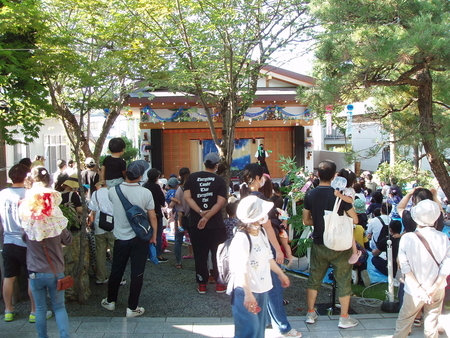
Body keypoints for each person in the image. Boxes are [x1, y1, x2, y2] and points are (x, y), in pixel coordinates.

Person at [240, 163, 301, 337]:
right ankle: (283, 327)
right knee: (273, 288)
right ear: (258, 178)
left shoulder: (244, 197)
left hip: (251, 246)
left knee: (261, 286)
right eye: (262, 177)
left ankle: (267, 321)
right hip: (263, 248)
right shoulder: (260, 200)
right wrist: (278, 250)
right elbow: (268, 228)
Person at [302, 160, 359, 329]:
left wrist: (320, 223)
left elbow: (306, 221)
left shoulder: (310, 194)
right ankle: (344, 317)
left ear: (318, 174)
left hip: (319, 242)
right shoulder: (339, 194)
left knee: (314, 279)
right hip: (341, 246)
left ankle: (311, 313)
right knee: (343, 281)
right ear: (335, 176)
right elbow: (354, 218)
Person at [18, 166, 72, 338]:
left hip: (34, 270)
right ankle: (64, 336)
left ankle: (43, 336)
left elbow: (24, 238)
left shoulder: (28, 218)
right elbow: (68, 240)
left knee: (40, 309)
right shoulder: (55, 218)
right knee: (59, 307)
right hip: (56, 270)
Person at [229, 195, 293, 338]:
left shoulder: (261, 232)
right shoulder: (241, 238)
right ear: (256, 216)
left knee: (258, 331)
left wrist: (280, 274)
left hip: (262, 288)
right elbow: (240, 269)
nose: (266, 215)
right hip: (246, 291)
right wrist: (248, 294)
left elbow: (268, 258)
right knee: (248, 332)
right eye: (263, 212)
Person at [101, 160, 158, 317]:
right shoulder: (146, 192)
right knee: (137, 272)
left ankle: (111, 301)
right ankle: (132, 307)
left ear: (126, 173)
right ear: (140, 176)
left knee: (116, 270)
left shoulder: (113, 191)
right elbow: (152, 217)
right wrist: (153, 236)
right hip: (140, 238)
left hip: (120, 238)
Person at [393, 199, 450, 338]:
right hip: (437, 288)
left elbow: (405, 267)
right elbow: (446, 266)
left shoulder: (407, 238)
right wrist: (433, 288)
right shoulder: (443, 237)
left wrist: (418, 289)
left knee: (404, 323)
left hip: (413, 289)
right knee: (432, 323)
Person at [0, 164, 48, 323]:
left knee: (8, 277)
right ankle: (34, 311)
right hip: (27, 242)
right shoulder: (29, 195)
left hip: (7, 241)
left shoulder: (3, 194)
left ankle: (8, 309)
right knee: (31, 278)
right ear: (26, 176)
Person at [183, 152, 228, 294]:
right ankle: (220, 284)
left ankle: (202, 284)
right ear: (216, 166)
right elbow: (220, 203)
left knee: (200, 254)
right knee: (218, 254)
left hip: (196, 223)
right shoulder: (220, 181)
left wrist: (200, 212)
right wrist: (207, 217)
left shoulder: (192, 177)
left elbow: (187, 197)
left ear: (204, 163)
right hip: (216, 225)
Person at [88, 182, 115, 285]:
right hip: (113, 226)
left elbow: (93, 211)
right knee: (115, 253)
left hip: (99, 226)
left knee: (100, 253)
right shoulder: (114, 192)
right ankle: (117, 277)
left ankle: (101, 277)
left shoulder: (95, 193)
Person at [333, 168, 361, 264]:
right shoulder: (343, 189)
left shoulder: (349, 190)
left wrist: (339, 195)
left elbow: (350, 200)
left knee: (350, 235)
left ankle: (355, 252)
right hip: (343, 215)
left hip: (347, 216)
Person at [143, 168, 167, 263]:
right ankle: (157, 254)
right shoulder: (156, 187)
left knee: (147, 234)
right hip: (156, 212)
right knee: (157, 234)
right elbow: (162, 201)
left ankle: (148, 254)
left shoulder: (144, 186)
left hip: (146, 213)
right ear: (157, 177)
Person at [171, 167, 192, 268]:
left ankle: (178, 262)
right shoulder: (193, 187)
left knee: (178, 240)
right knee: (196, 240)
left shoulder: (180, 189)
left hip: (180, 216)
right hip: (192, 216)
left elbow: (175, 205)